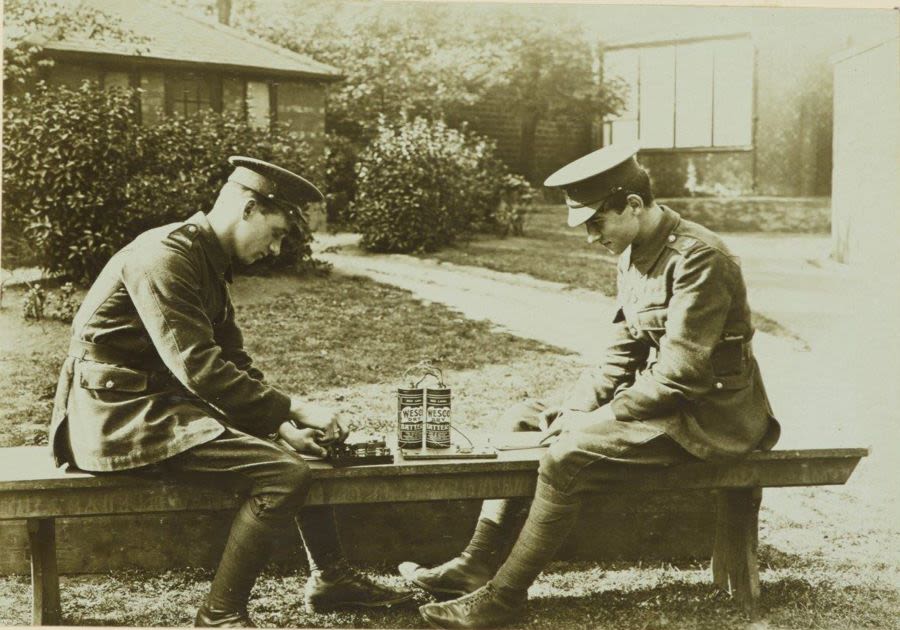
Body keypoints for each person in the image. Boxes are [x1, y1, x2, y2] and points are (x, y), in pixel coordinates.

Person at [400, 142, 781, 628]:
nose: (589, 237)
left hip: (711, 419)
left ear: (634, 206)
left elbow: (683, 375)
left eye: (596, 223)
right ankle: (476, 561)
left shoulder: (699, 258)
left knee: (566, 453)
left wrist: (594, 420)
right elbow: (620, 354)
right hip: (667, 408)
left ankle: (502, 598)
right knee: (522, 417)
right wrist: (578, 408)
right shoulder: (634, 251)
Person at [49, 156, 412, 627]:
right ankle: (219, 615)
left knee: (302, 453)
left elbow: (231, 361)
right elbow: (200, 368)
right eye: (277, 232)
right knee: (284, 475)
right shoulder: (165, 256)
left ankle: (331, 578)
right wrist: (297, 408)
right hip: (117, 417)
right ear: (248, 209)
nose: (277, 248)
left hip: (158, 407)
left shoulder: (205, 259)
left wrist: (285, 425)